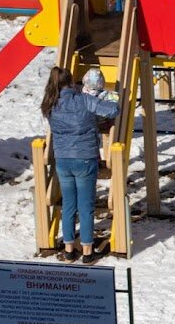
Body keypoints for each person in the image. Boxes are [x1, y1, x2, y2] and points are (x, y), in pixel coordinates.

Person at [41, 66, 119, 263]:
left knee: (68, 205)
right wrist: (104, 97)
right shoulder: (83, 100)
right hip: (84, 158)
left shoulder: (50, 104)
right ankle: (87, 251)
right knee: (85, 207)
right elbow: (112, 110)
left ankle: (68, 250)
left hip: (62, 160)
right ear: (71, 83)